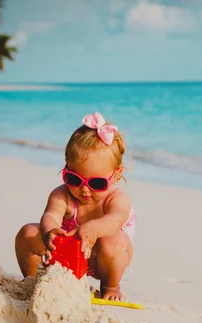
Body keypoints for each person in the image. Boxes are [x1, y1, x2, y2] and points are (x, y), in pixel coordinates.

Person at [15, 112, 137, 301]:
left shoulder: (117, 198)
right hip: (66, 254)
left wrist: (94, 229)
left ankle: (111, 287)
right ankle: (32, 281)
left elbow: (115, 219)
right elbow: (51, 214)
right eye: (74, 179)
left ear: (117, 174)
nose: (84, 189)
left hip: (102, 257)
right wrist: (50, 231)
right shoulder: (62, 194)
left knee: (113, 241)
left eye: (96, 183)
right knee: (28, 233)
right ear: (66, 169)